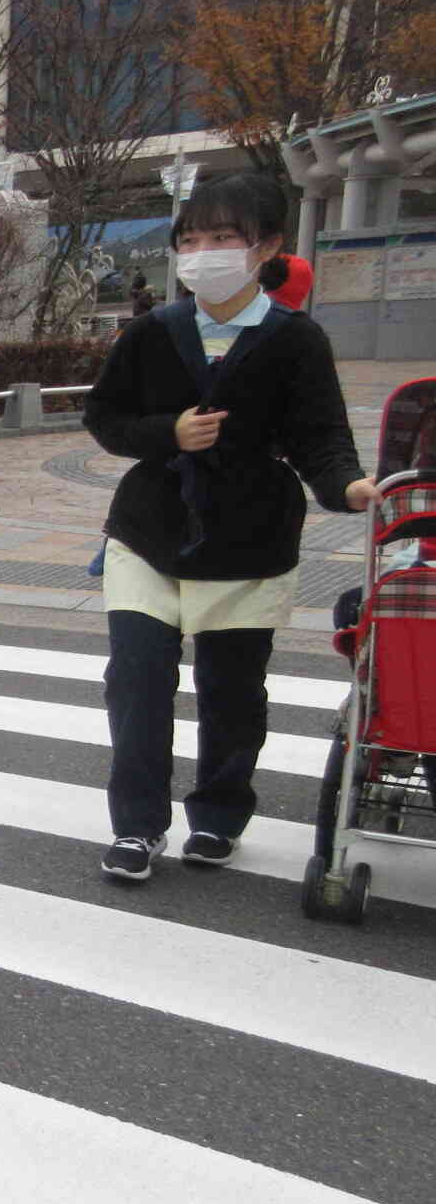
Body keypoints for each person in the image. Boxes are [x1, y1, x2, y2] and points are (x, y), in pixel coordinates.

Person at [83, 171, 376, 882]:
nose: (202, 252)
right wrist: (168, 433)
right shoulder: (152, 332)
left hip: (250, 538)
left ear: (266, 246)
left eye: (222, 238)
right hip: (149, 531)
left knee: (232, 689)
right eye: (190, 239)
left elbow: (321, 437)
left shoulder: (294, 341)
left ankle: (217, 815)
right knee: (138, 677)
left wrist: (350, 486)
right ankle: (137, 825)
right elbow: (106, 418)